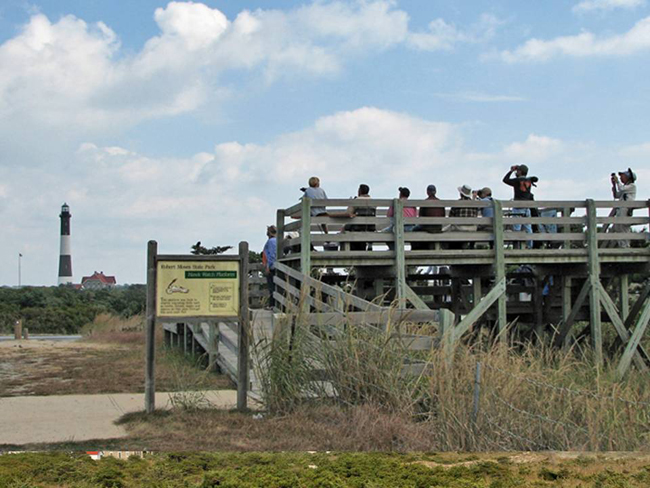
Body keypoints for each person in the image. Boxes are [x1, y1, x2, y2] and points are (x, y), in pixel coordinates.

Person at [502, 165, 538, 248]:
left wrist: (511, 171)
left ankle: (517, 247)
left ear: (520, 171)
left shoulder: (517, 180)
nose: (516, 172)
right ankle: (529, 247)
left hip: (518, 207)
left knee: (517, 228)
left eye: (517, 170)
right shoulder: (529, 181)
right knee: (528, 229)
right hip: (527, 207)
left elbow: (505, 180)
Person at [343, 184, 376, 251]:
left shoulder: (356, 200)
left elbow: (348, 213)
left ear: (360, 191)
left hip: (357, 227)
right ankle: (368, 246)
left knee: (345, 227)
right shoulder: (373, 202)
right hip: (369, 227)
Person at [412, 184, 445, 250]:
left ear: (427, 192)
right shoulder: (440, 202)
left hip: (428, 227)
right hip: (438, 227)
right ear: (435, 192)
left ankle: (415, 249)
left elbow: (420, 217)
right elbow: (443, 215)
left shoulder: (425, 202)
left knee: (414, 230)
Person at [611, 168, 637, 248]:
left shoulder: (632, 186)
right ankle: (621, 246)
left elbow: (621, 189)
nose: (621, 177)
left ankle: (626, 246)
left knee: (624, 228)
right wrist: (614, 185)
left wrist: (617, 182)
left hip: (626, 210)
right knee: (618, 228)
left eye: (623, 176)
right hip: (621, 210)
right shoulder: (626, 187)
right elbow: (617, 195)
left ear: (628, 178)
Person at [447, 184, 478, 249]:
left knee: (447, 230)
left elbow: (450, 217)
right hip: (472, 229)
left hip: (460, 228)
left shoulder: (457, 203)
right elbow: (475, 216)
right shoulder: (474, 204)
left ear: (461, 194)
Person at [262, 226, 277, 309]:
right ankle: (273, 305)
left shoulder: (271, 241)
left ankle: (272, 305)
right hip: (274, 265)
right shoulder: (277, 240)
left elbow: (271, 255)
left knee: (272, 286)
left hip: (272, 266)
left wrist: (268, 266)